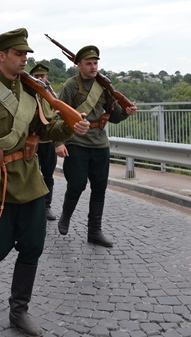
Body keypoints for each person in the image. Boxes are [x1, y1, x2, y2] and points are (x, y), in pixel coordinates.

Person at [0, 28, 90, 337]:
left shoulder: (33, 92)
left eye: (26, 53)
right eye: (18, 53)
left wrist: (70, 126)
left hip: (30, 182)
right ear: (0, 56)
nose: (25, 58)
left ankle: (19, 310)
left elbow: (46, 132)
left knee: (32, 247)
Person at [55, 45, 137, 247]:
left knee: (99, 188)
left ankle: (94, 231)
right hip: (76, 142)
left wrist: (127, 111)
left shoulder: (105, 87)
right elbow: (56, 113)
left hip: (100, 144)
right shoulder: (70, 86)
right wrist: (58, 142)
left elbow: (115, 116)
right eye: (89, 63)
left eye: (95, 63)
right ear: (79, 65)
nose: (93, 67)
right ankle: (66, 215)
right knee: (77, 184)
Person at [29, 63, 57, 221]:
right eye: (37, 76)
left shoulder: (51, 94)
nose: (40, 78)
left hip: (48, 141)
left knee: (48, 175)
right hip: (32, 139)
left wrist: (59, 142)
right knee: (32, 175)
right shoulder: (29, 93)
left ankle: (46, 206)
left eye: (43, 76)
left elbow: (56, 114)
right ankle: (33, 206)